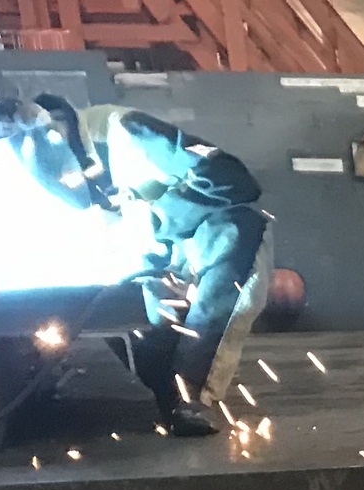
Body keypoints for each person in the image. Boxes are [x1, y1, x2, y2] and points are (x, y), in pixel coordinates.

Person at [13, 95, 270, 436]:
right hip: (163, 247)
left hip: (218, 231)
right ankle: (170, 393)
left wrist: (159, 218)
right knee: (146, 326)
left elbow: (232, 180)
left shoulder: (130, 132)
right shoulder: (69, 163)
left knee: (214, 303)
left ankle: (193, 398)